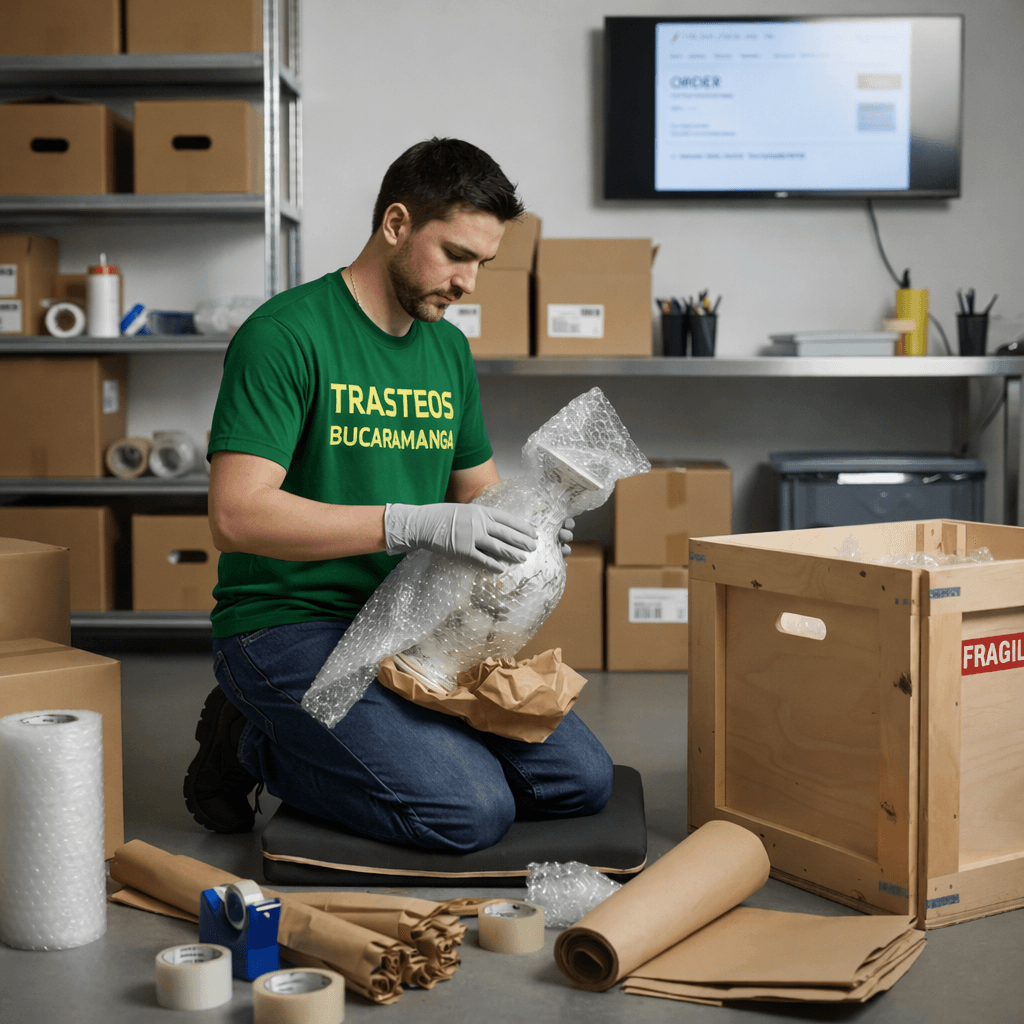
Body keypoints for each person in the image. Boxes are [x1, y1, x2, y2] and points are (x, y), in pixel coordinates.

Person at [184, 137, 614, 852]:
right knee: (468, 810)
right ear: (396, 224)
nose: (468, 283)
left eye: (481, 263)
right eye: (455, 255)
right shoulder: (285, 335)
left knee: (579, 782)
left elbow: (478, 493)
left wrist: (530, 524)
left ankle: (377, 745)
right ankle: (251, 741)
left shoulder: (446, 349)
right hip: (289, 623)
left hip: (416, 619)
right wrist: (409, 523)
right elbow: (236, 515)